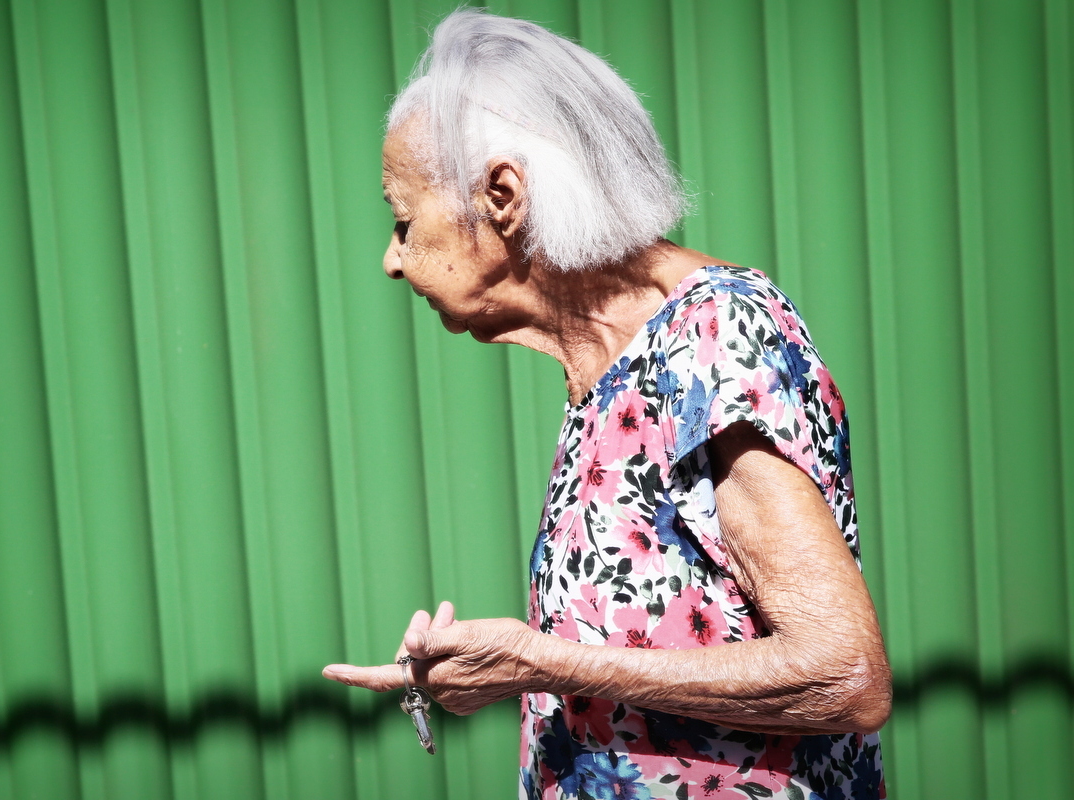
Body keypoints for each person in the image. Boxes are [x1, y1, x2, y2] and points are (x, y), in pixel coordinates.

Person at [322, 9, 891, 799]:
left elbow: (846, 675)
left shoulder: (715, 334)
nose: (392, 260)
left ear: (502, 197)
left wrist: (541, 662)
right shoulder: (609, 366)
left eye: (403, 221)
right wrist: (496, 672)